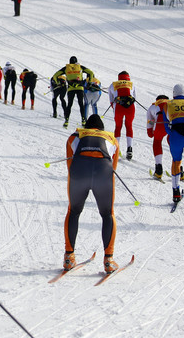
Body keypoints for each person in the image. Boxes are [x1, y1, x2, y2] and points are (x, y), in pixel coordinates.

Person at [62, 114, 120, 274]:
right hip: (103, 172)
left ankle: (69, 257)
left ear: (86, 127)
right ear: (101, 129)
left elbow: (70, 163)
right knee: (108, 214)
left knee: (73, 212)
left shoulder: (74, 136)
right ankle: (108, 260)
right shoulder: (112, 139)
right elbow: (113, 167)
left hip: (79, 171)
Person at [108, 71, 136, 161]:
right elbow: (135, 98)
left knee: (118, 127)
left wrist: (114, 107)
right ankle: (129, 148)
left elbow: (111, 100)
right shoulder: (132, 84)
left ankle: (115, 149)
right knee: (129, 126)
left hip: (119, 107)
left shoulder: (113, 85)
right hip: (130, 107)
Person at [61, 56, 93, 128]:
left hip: (70, 88)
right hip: (80, 88)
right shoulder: (80, 67)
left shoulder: (66, 68)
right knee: (81, 104)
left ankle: (66, 121)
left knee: (69, 104)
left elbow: (55, 75)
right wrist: (89, 83)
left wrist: (59, 82)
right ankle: (83, 120)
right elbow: (91, 73)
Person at [146, 94, 170, 179]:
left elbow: (151, 121)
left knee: (157, 141)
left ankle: (159, 169)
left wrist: (150, 132)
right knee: (174, 143)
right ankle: (179, 170)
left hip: (160, 124)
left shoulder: (153, 106)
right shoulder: (171, 103)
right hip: (172, 124)